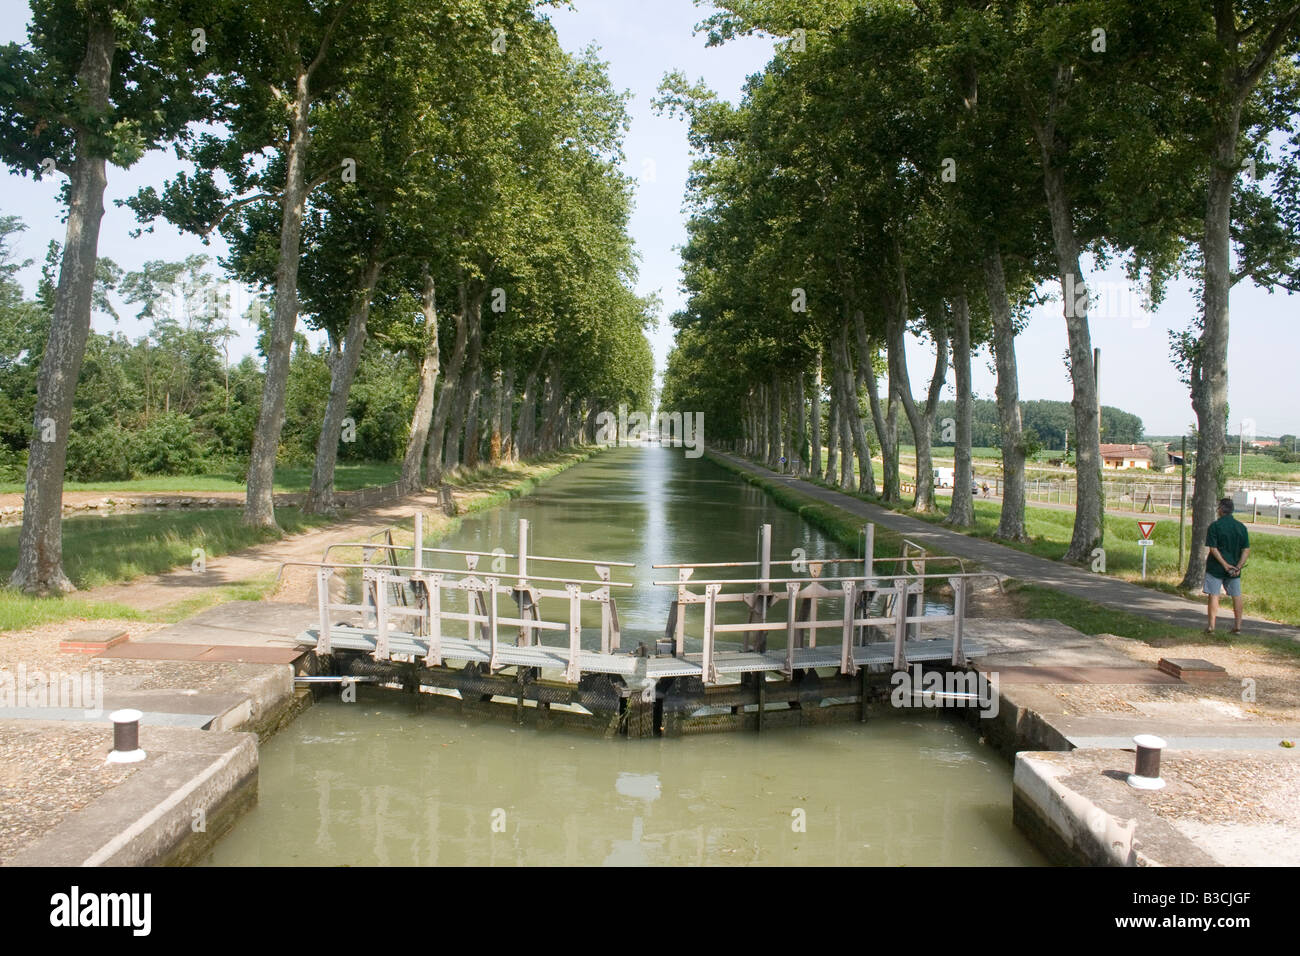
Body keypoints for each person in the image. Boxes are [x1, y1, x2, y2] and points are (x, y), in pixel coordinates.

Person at [1204, 497, 1250, 634]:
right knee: (1236, 595)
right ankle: (1238, 626)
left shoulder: (1215, 526)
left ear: (1221, 510)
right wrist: (1238, 566)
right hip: (1235, 569)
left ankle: (1211, 627)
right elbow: (1246, 549)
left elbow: (1213, 548)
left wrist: (1224, 564)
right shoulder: (1241, 527)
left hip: (1215, 568)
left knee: (1214, 594)